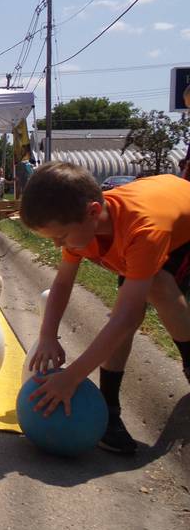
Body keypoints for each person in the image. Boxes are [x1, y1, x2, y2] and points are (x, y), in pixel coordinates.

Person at [20, 162, 190, 455]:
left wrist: (72, 376)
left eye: (61, 238)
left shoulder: (144, 231)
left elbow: (125, 318)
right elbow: (62, 283)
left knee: (156, 289)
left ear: (93, 213)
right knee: (130, 305)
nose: (60, 245)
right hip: (150, 217)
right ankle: (110, 410)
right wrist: (47, 335)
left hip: (181, 233)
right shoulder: (81, 226)